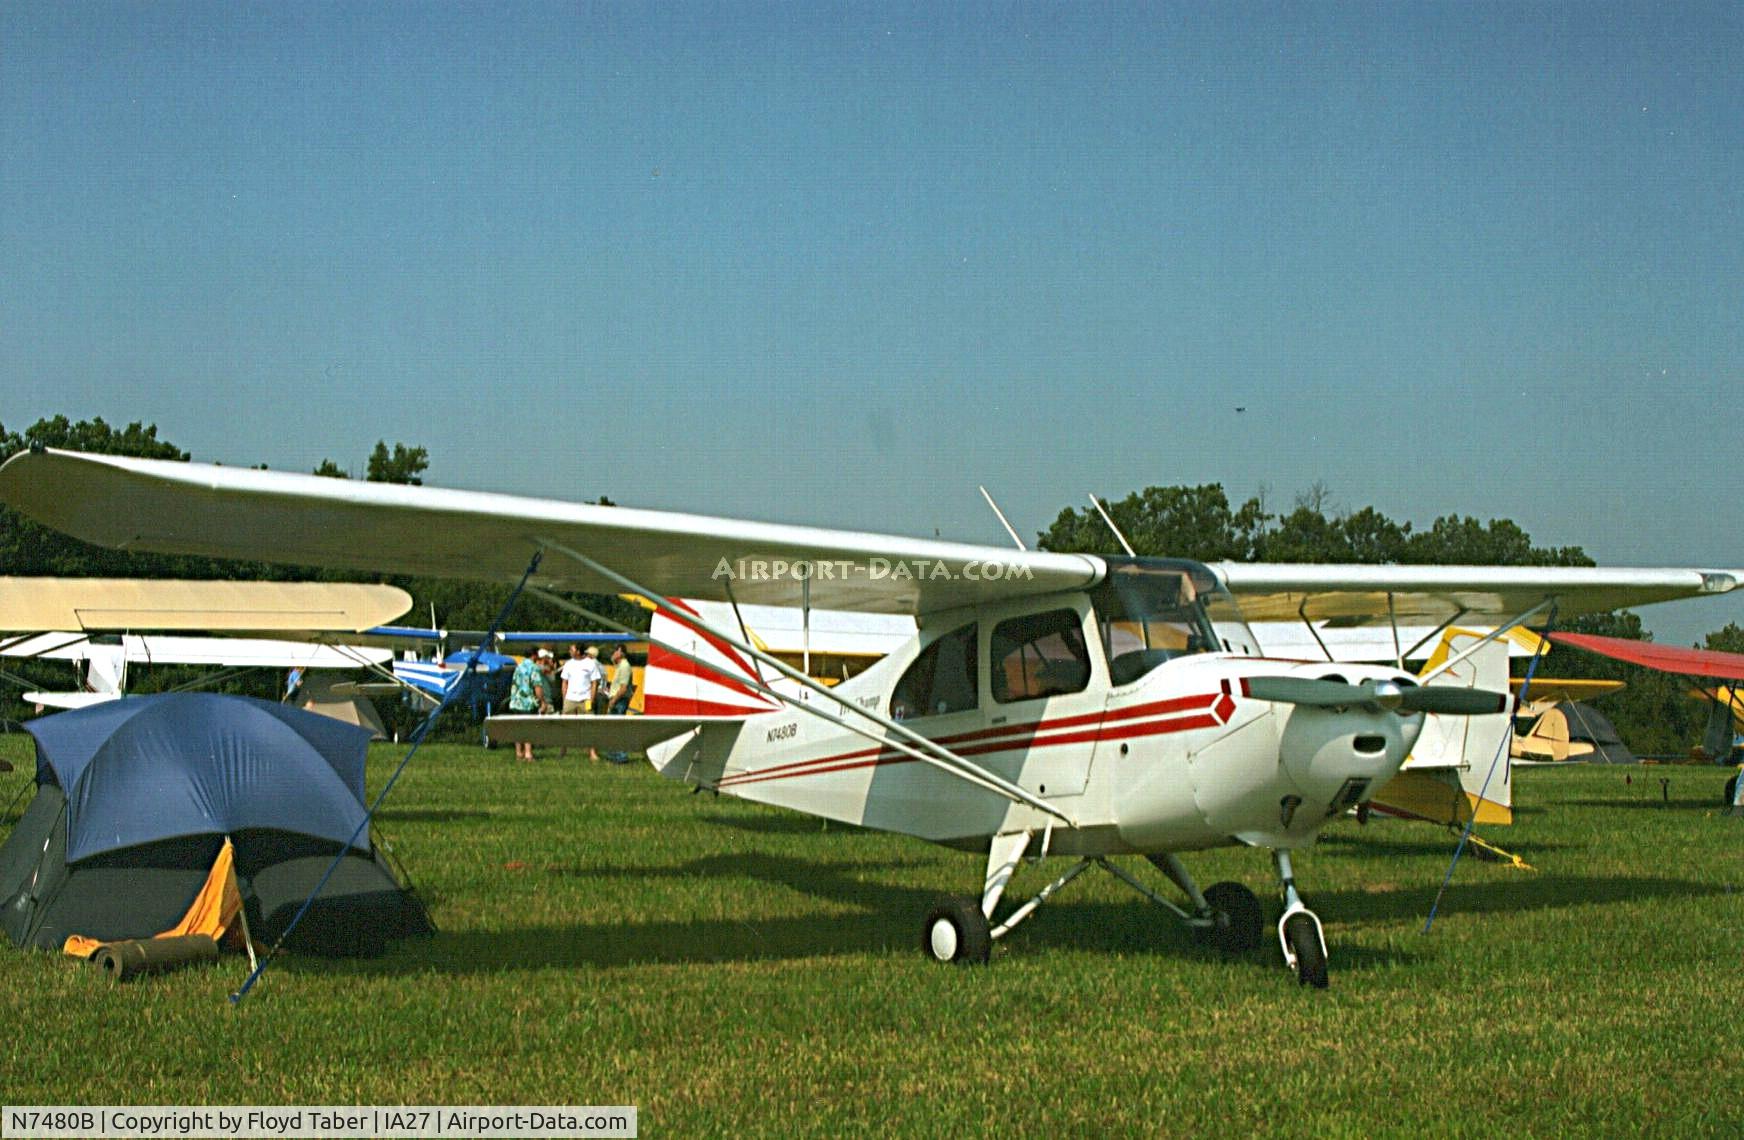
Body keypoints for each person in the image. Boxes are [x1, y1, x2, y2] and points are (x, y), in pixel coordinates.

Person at [507, 648, 553, 762]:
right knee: (529, 728)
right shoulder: (533, 668)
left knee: (518, 728)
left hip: (516, 702)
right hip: (527, 703)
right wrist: (542, 701)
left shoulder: (518, 667)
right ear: (534, 656)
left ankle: (519, 753)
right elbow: (537, 686)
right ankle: (528, 753)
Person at [606, 646, 633, 715]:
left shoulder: (624, 666)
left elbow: (623, 688)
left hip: (619, 700)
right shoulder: (620, 665)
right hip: (617, 700)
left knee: (616, 724)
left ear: (621, 653)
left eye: (615, 651)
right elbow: (614, 662)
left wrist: (613, 701)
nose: (613, 653)